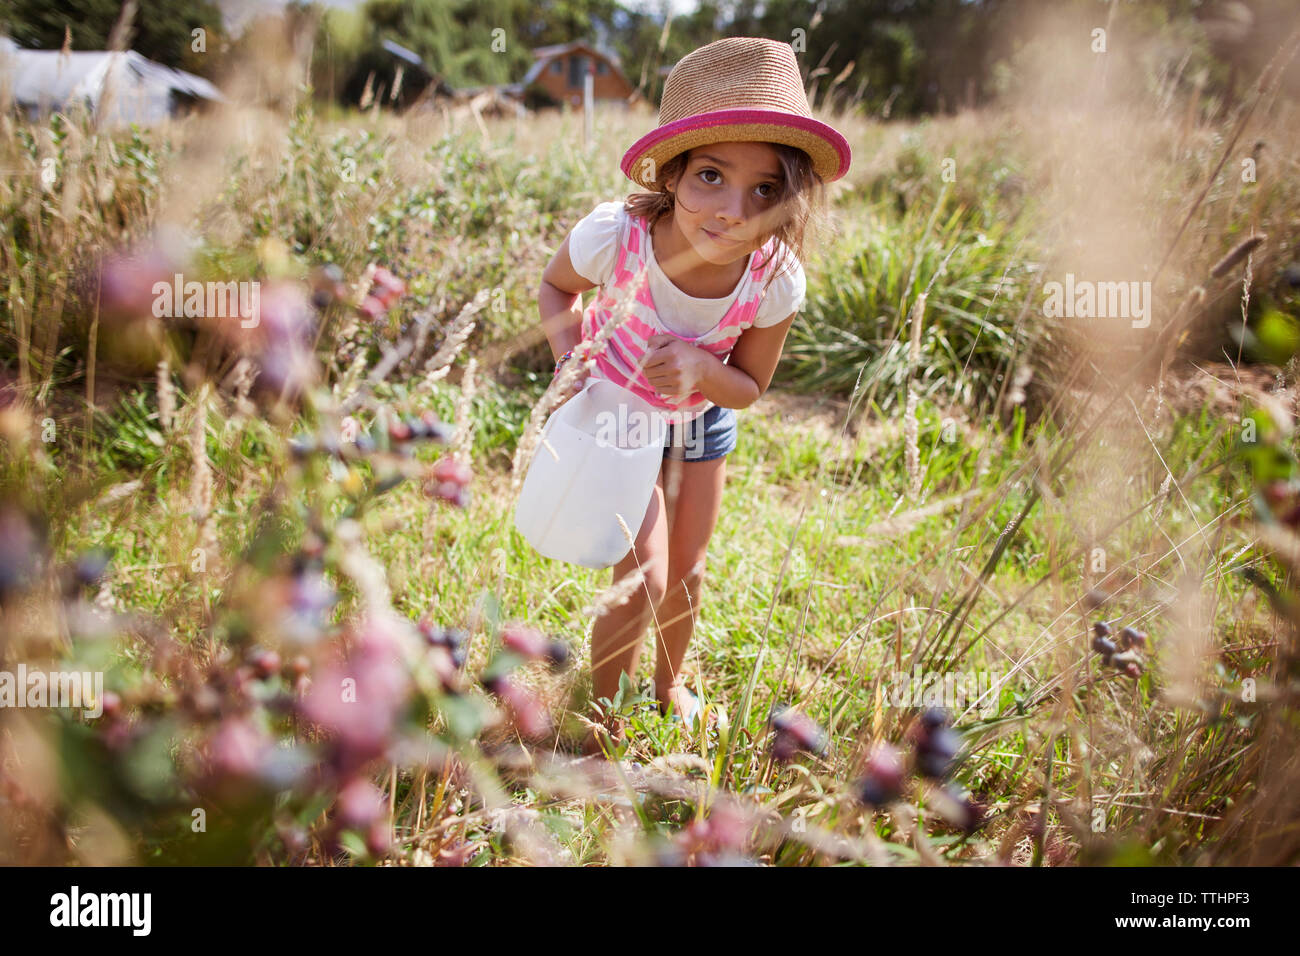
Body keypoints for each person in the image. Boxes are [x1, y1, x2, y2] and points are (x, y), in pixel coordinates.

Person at [536, 36, 851, 755]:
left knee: (686, 571)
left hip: (701, 429)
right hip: (621, 420)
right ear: (672, 172)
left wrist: (703, 371)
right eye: (711, 175)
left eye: (765, 190)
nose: (734, 209)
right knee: (640, 568)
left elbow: (749, 386)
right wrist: (568, 357)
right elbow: (557, 286)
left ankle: (669, 684)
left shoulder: (774, 281)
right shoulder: (616, 237)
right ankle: (604, 710)